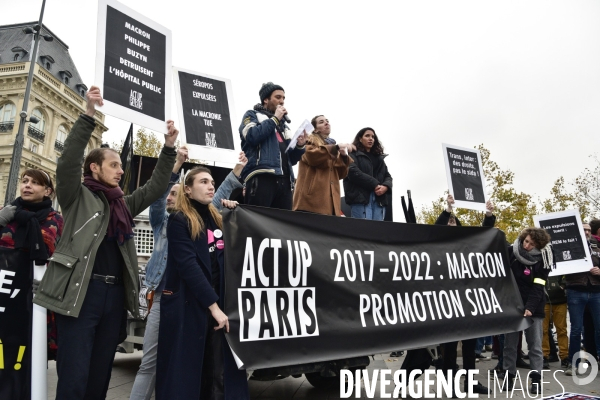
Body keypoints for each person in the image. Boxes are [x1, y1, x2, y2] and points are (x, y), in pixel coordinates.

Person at [33, 86, 179, 400]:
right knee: (74, 375)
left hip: (114, 299)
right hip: (81, 295)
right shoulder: (76, 195)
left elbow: (154, 188)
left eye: (120, 166)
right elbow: (68, 161)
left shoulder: (123, 205)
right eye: (114, 164)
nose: (121, 169)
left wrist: (168, 149)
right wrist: (88, 114)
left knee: (100, 376)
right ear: (95, 168)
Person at [130, 151, 247, 400]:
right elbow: (188, 265)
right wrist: (177, 164)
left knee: (213, 370)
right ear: (188, 190)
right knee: (156, 365)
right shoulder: (172, 220)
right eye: (203, 182)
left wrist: (235, 208)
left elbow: (222, 197)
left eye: (211, 183)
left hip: (209, 302)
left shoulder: (214, 217)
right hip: (175, 299)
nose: (210, 186)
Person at [0, 169, 63, 399]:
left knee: (24, 362)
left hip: (29, 305)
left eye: (35, 183)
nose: (27, 185)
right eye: (25, 181)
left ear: (47, 191)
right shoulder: (6, 213)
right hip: (3, 299)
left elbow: (46, 249)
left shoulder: (53, 219)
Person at [437, 194, 495, 396]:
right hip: (447, 304)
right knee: (450, 349)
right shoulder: (438, 248)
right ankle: (449, 385)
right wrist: (448, 210)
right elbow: (436, 230)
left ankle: (470, 383)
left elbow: (484, 237)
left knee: (470, 347)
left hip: (468, 304)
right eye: (449, 224)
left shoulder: (467, 248)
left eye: (455, 223)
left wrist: (488, 215)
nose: (452, 226)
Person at [238, 82, 306, 210]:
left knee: (282, 226)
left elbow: (292, 159)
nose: (282, 101)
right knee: (258, 224)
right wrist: (275, 119)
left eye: (283, 98)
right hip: (262, 177)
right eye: (278, 97)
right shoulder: (251, 115)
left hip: (285, 182)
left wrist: (300, 146)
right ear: (266, 99)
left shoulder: (284, 126)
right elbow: (252, 136)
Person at [502, 227, 553, 394]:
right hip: (512, 305)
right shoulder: (511, 252)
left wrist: (530, 308)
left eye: (532, 244)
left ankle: (536, 378)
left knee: (535, 345)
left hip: (534, 307)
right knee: (509, 344)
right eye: (526, 241)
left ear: (539, 245)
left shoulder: (543, 260)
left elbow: (538, 287)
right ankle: (509, 375)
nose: (527, 246)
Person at [292, 115, 353, 215]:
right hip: (311, 202)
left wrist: (343, 156)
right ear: (315, 130)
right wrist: (335, 148)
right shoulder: (308, 140)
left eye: (327, 121)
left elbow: (341, 174)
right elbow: (312, 157)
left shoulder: (333, 147)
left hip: (330, 204)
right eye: (321, 122)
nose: (326, 123)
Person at [563, 219, 600, 375]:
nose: (586, 232)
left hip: (597, 291)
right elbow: (561, 266)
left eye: (588, 230)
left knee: (599, 329)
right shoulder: (569, 245)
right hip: (576, 291)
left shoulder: (597, 246)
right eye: (583, 230)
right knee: (576, 330)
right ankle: (574, 364)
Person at [343, 127, 392, 220]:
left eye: (373, 137)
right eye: (367, 136)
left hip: (379, 200)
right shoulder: (352, 154)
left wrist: (385, 187)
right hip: (360, 199)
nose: (371, 138)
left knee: (377, 232)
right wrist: (375, 184)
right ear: (360, 139)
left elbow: (388, 176)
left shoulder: (379, 158)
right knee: (362, 231)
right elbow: (353, 172)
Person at [542, 274, 568, 369]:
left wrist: (562, 286)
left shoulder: (560, 260)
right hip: (545, 300)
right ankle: (544, 356)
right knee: (543, 330)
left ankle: (564, 356)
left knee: (561, 330)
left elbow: (567, 273)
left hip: (560, 300)